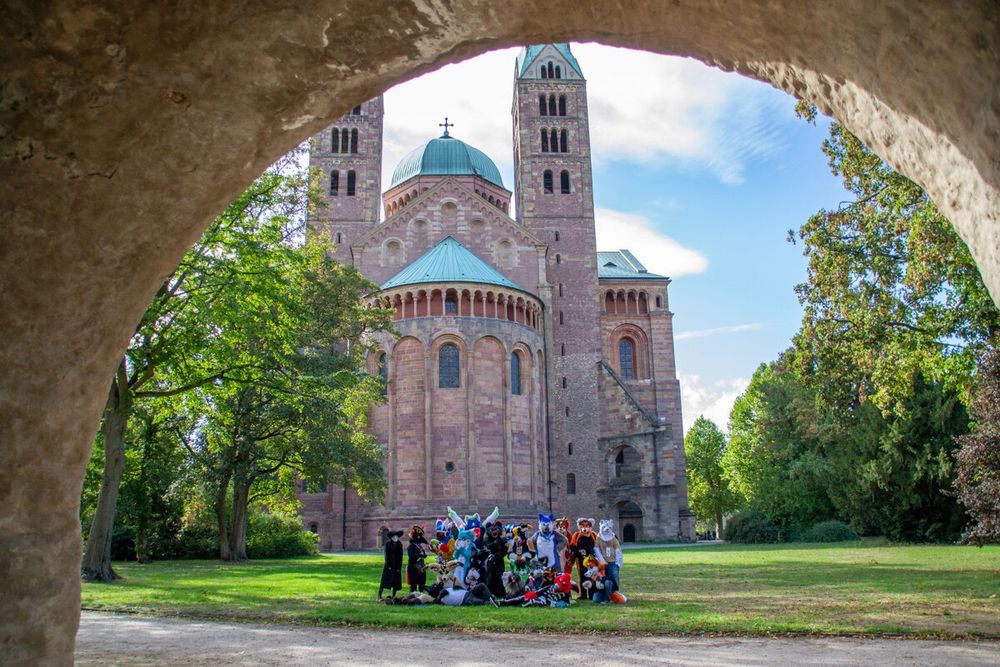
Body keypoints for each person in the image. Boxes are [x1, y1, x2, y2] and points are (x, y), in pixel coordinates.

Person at [377, 529, 404, 601]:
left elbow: (400, 556)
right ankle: (379, 596)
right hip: (389, 565)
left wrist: (399, 567)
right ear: (391, 538)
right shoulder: (387, 544)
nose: (395, 538)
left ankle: (393, 596)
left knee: (395, 581)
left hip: (396, 566)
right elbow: (386, 555)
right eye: (394, 537)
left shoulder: (399, 544)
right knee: (384, 581)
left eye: (397, 537)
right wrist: (388, 566)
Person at [435, 582, 500, 607]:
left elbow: (458, 588)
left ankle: (492, 598)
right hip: (465, 600)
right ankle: (498, 602)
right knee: (483, 602)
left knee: (481, 585)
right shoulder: (442, 597)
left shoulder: (448, 590)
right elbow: (443, 592)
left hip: (468, 593)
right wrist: (439, 597)